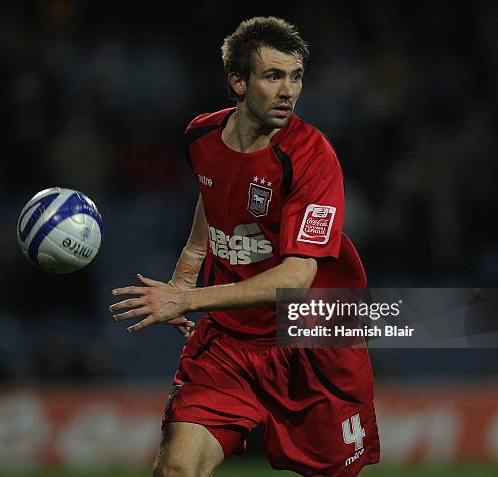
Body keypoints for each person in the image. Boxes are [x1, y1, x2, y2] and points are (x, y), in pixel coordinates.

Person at [109, 16, 380, 477]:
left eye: (295, 77)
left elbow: (298, 278)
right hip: (228, 342)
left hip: (312, 340)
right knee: (175, 470)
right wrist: (186, 271)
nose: (288, 91)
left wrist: (186, 298)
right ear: (237, 81)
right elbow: (212, 194)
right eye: (272, 76)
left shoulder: (312, 157)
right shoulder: (202, 136)